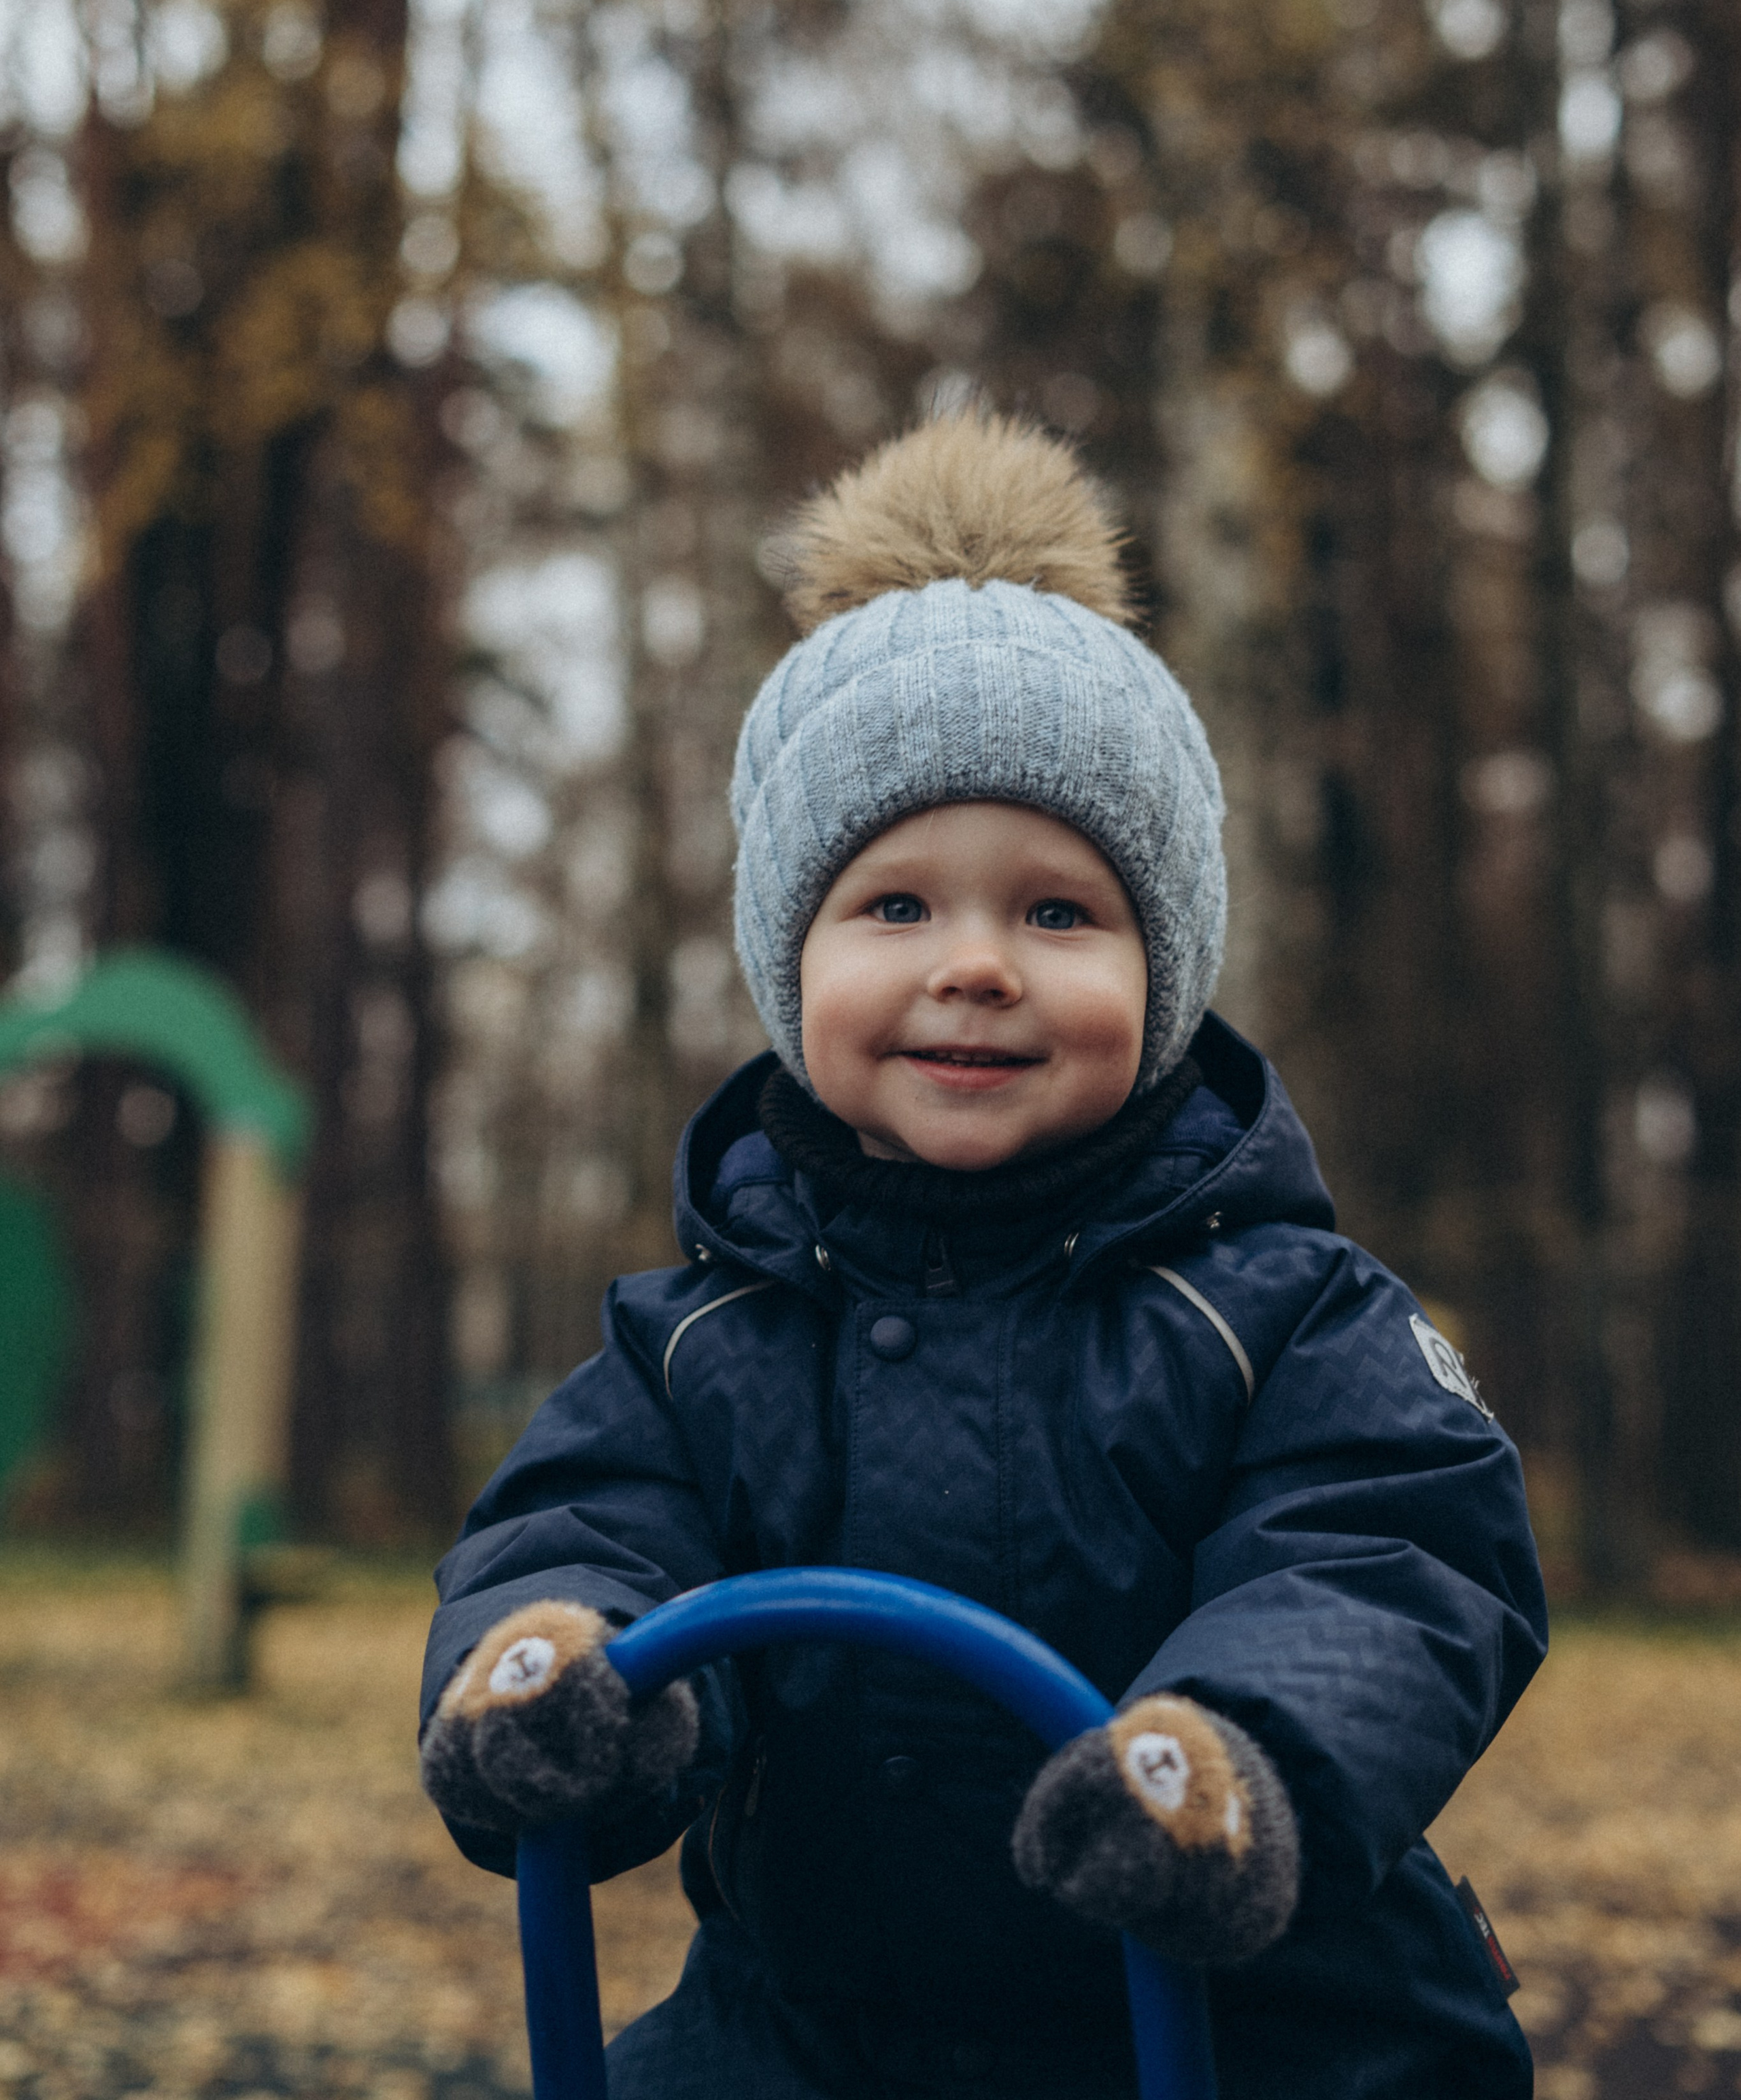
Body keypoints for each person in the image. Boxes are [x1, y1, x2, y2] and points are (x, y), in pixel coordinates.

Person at [419, 413, 1546, 2099]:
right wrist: (560, 1680)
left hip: (1252, 2029)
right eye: (894, 907)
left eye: (1055, 912)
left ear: (1164, 976)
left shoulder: (1282, 1315)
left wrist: (1229, 1761)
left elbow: (1389, 1565)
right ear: (787, 960)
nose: (975, 966)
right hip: (823, 2032)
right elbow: (573, 1529)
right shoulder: (700, 1339)